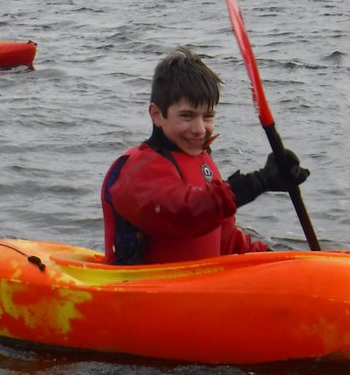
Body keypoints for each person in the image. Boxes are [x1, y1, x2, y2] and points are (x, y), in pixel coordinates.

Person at [101, 46, 310, 265]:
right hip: (149, 292)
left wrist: (279, 260)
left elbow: (224, 240)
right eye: (187, 116)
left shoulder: (202, 161)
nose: (200, 129)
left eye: (208, 116)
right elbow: (185, 214)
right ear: (156, 115)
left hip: (200, 288)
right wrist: (259, 182)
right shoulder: (138, 169)